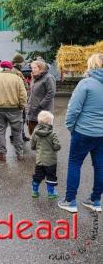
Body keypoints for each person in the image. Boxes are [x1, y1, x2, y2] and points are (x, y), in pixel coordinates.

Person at [59, 54, 103, 213]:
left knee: (75, 163)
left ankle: (70, 200)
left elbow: (73, 109)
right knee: (100, 166)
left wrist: (71, 127)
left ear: (92, 65)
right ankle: (96, 200)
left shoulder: (86, 83)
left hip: (83, 132)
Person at [0, 61, 28, 161]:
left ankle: (2, 154)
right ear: (10, 68)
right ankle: (19, 154)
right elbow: (23, 95)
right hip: (15, 109)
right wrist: (22, 106)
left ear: (1, 68)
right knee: (17, 132)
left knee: (0, 132)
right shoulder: (17, 79)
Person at [31, 111, 60, 199]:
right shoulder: (52, 134)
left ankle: (35, 191)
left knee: (38, 175)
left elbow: (32, 146)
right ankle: (51, 193)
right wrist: (55, 148)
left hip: (39, 160)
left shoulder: (35, 133)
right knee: (51, 176)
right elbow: (57, 146)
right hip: (51, 161)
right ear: (50, 122)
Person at [26, 60, 56, 135]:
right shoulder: (34, 77)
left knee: (43, 136)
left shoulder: (48, 78)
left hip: (43, 112)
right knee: (33, 135)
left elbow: (51, 93)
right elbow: (31, 93)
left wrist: (40, 105)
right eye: (32, 68)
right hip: (32, 111)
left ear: (41, 68)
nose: (32, 70)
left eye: (34, 68)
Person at [12, 54, 29, 142]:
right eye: (22, 63)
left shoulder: (12, 70)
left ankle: (14, 136)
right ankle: (20, 136)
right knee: (20, 119)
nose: (23, 64)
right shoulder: (17, 72)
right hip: (18, 99)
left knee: (15, 120)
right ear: (18, 63)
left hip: (14, 99)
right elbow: (22, 86)